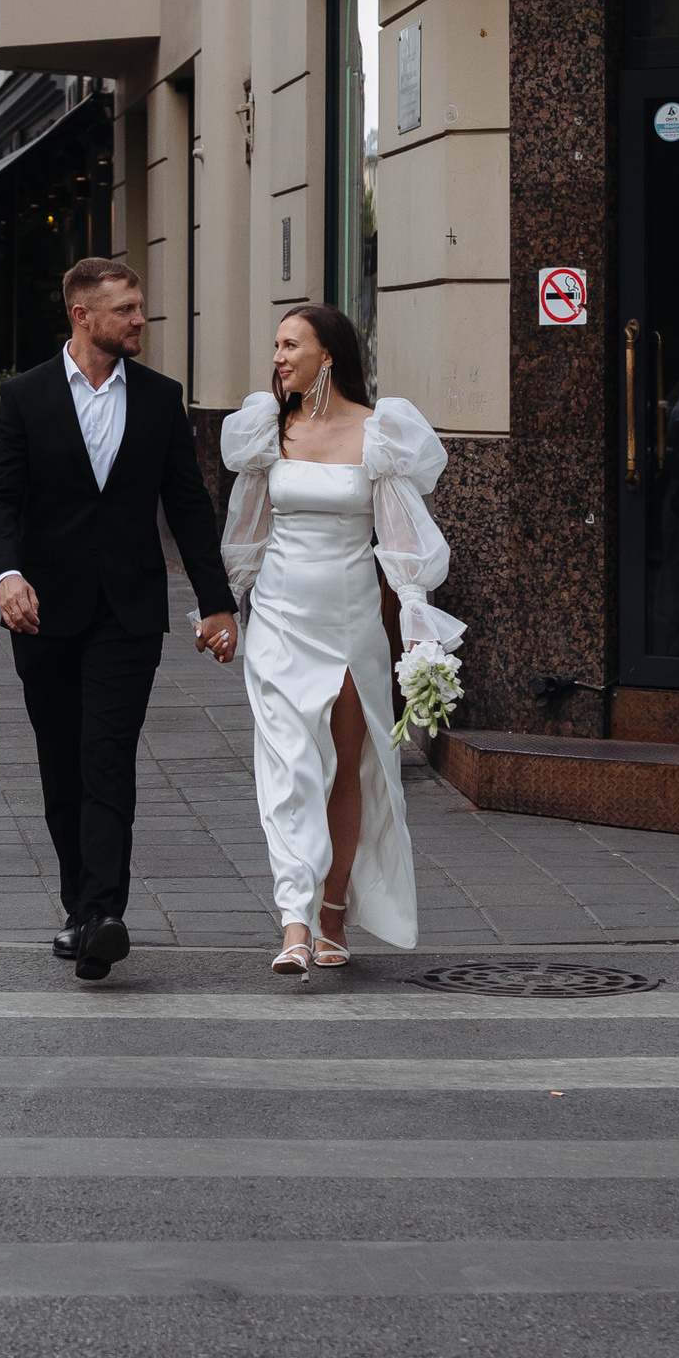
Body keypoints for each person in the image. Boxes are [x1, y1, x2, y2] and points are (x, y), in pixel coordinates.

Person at [0, 253, 237, 981]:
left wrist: (216, 601)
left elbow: (187, 504)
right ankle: (78, 909)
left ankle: (103, 914)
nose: (140, 320)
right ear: (82, 314)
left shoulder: (160, 398)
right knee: (62, 763)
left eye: (140, 306)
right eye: (125, 309)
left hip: (128, 611)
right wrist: (7, 575)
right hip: (41, 610)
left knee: (107, 758)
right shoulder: (24, 397)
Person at [221, 304, 461, 980]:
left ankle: (332, 913)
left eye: (290, 344)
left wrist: (417, 631)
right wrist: (227, 610)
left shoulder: (379, 434)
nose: (277, 356)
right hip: (280, 617)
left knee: (347, 771)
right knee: (289, 764)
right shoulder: (266, 431)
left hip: (352, 617)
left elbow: (404, 541)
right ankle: (293, 922)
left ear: (328, 355)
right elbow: (247, 532)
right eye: (275, 345)